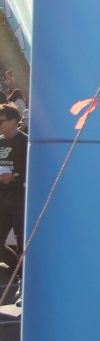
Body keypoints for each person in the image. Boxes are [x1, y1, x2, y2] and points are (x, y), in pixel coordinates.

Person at [0, 104, 28, 304]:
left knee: (22, 244)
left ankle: (24, 284)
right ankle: (19, 270)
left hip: (19, 199)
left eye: (2, 120)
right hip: (2, 199)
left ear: (13, 121)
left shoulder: (25, 142)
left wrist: (15, 176)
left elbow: (32, 169)